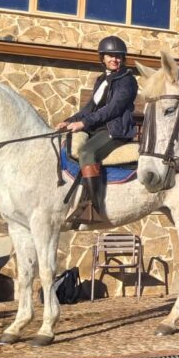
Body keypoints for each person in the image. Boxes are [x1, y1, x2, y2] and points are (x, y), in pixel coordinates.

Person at [56, 35, 138, 227]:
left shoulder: (127, 80)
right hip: (99, 129)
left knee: (87, 152)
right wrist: (71, 120)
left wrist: (84, 124)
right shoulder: (101, 80)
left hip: (115, 130)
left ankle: (94, 208)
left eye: (118, 56)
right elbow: (90, 107)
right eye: (110, 55)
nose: (114, 59)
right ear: (102, 58)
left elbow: (113, 109)